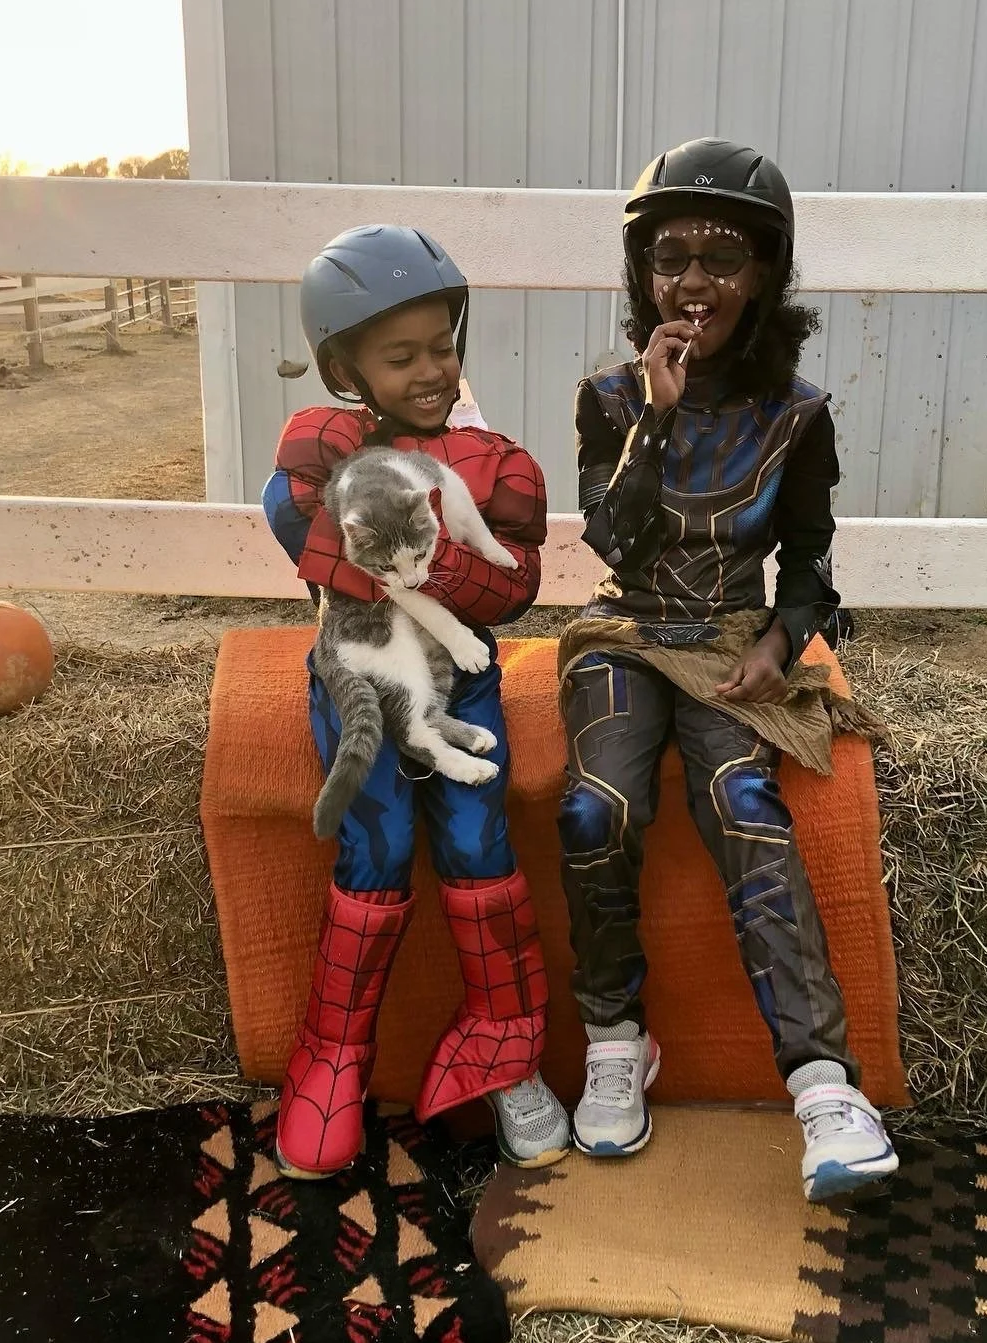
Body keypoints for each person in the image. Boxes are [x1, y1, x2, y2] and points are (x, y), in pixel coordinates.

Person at [557, 137, 899, 1202]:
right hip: (625, 637)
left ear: (765, 274)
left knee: (742, 801)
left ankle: (824, 1090)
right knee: (596, 806)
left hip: (725, 649)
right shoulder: (612, 398)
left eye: (721, 255)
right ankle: (617, 1041)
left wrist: (777, 643)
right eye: (669, 257)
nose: (693, 280)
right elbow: (613, 541)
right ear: (640, 273)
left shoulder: (797, 415)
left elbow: (809, 565)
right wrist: (655, 420)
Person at [264, 224, 570, 1178]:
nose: (432, 370)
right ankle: (333, 1058)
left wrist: (435, 575)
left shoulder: (495, 459)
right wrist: (421, 570)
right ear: (343, 364)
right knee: (378, 845)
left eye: (443, 346)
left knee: (480, 843)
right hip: (360, 672)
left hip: (463, 676)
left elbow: (517, 579)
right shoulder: (320, 446)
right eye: (401, 356)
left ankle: (506, 1046)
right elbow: (293, 521)